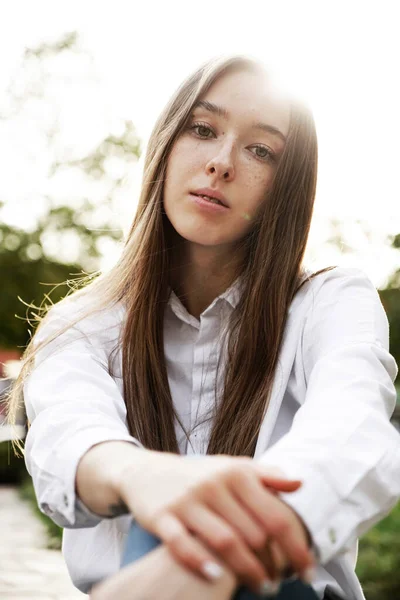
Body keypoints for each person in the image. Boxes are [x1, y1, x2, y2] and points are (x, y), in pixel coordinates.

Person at [5, 54, 400, 600]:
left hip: (283, 591)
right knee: (159, 522)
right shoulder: (82, 322)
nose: (221, 163)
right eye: (203, 129)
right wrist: (145, 479)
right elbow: (69, 436)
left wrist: (211, 558)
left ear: (287, 185)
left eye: (261, 149)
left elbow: (353, 431)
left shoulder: (330, 303)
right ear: (167, 143)